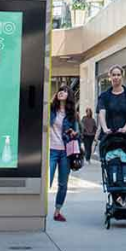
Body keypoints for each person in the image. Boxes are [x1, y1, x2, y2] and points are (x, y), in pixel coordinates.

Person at [49, 86, 78, 222]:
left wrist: (73, 133)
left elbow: (78, 134)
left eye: (65, 91)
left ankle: (57, 211)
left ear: (69, 95)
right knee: (46, 180)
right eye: (60, 90)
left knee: (63, 184)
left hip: (65, 152)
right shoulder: (50, 110)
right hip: (51, 150)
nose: (62, 92)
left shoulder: (72, 115)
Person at [97, 66, 126, 143]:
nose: (116, 77)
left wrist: (124, 129)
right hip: (109, 136)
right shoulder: (104, 96)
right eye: (114, 75)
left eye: (118, 75)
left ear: (122, 76)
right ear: (110, 77)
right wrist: (105, 129)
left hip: (125, 137)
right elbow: (101, 114)